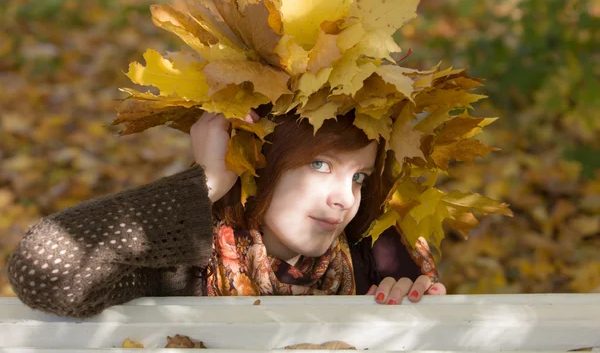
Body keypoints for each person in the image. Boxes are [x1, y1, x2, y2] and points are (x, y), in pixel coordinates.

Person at [7, 107, 446, 319]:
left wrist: (412, 307)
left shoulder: (374, 256)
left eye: (359, 178)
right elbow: (44, 269)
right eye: (320, 164)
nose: (346, 199)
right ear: (257, 161)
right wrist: (207, 182)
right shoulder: (188, 260)